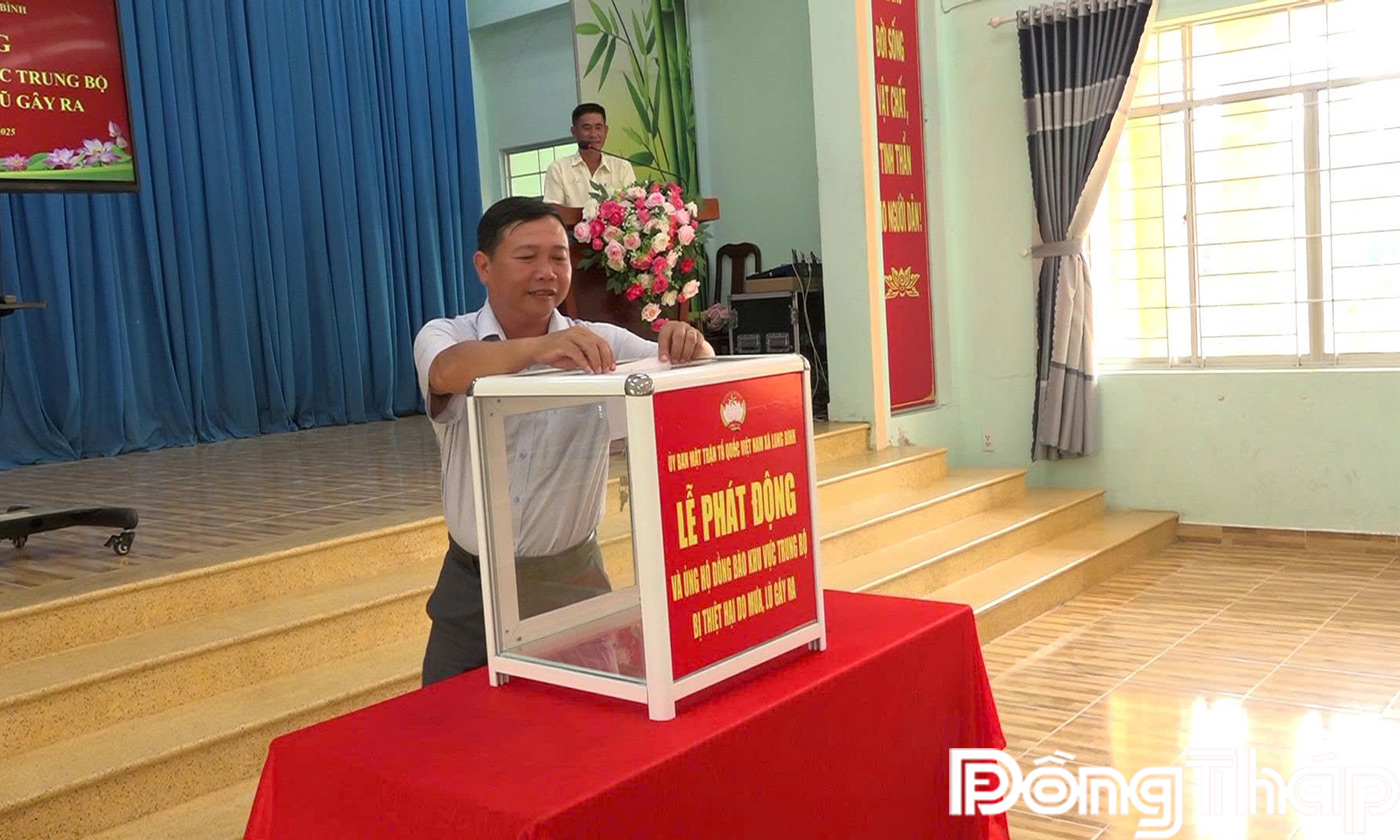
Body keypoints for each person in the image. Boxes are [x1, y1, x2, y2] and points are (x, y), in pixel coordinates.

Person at [413, 196, 711, 686]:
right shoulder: (446, 334)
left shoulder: (602, 343)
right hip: (473, 590)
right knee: (448, 725)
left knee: (581, 727)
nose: (547, 272)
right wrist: (540, 349)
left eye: (559, 257)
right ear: (483, 267)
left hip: (573, 585)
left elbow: (694, 378)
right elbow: (446, 372)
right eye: (527, 257)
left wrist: (691, 344)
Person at [542, 103, 638, 206]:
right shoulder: (558, 169)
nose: (593, 134)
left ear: (606, 130)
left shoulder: (623, 167)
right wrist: (591, 212)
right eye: (587, 128)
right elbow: (554, 211)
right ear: (574, 132)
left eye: (598, 128)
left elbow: (633, 207)